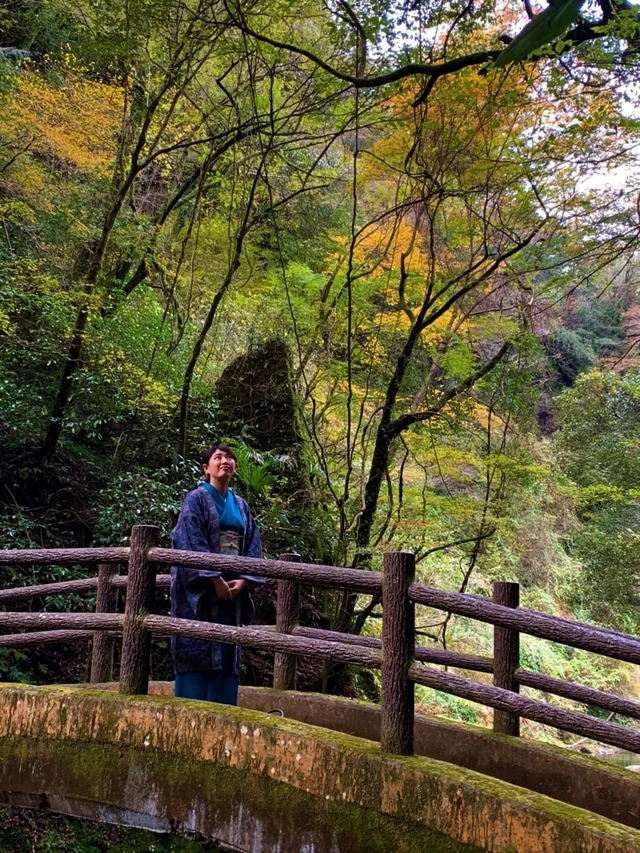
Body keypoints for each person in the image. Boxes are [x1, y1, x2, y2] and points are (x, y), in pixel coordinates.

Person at [170, 444, 265, 705]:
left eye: (229, 457)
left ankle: (224, 712)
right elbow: (191, 539)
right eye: (218, 457)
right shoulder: (196, 499)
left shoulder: (242, 506)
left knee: (227, 649)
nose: (225, 461)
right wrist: (214, 579)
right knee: (197, 645)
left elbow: (253, 546)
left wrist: (244, 581)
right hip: (200, 594)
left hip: (233, 589)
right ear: (206, 468)